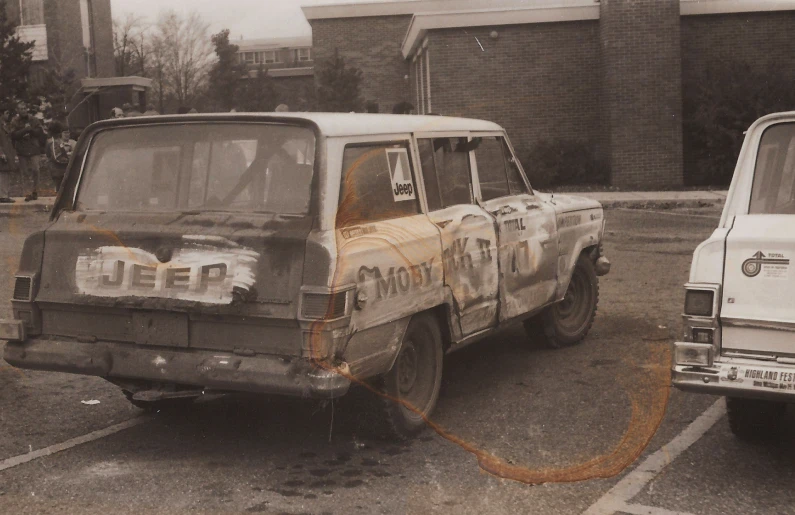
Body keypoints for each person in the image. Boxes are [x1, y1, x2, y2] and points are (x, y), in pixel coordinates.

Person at [11, 104, 46, 201]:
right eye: (21, 109)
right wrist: (25, 129)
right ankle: (27, 193)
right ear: (17, 110)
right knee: (25, 172)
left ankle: (35, 192)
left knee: (36, 170)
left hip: (34, 148)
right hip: (22, 150)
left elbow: (39, 132)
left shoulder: (34, 119)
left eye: (24, 108)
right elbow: (14, 135)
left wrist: (30, 130)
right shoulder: (15, 121)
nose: (23, 110)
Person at [45, 121, 76, 193]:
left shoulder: (57, 141)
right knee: (60, 190)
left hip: (62, 169)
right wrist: (68, 161)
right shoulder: (52, 142)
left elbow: (62, 153)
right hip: (57, 170)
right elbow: (56, 157)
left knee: (65, 189)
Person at [0, 104, 17, 203]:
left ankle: (3, 194)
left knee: (5, 174)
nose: (8, 115)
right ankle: (3, 196)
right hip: (3, 154)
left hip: (7, 152)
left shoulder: (4, 125)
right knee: (3, 174)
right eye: (6, 113)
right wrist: (1, 153)